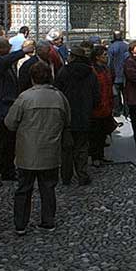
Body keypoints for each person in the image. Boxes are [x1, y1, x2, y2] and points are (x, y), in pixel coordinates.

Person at [5, 62, 70, 235]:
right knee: (48, 188)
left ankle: (21, 224)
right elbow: (67, 120)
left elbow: (10, 123)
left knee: (23, 188)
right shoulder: (59, 97)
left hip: (27, 151)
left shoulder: (24, 98)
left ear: (32, 77)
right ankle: (48, 221)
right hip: (50, 149)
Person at [0, 37, 35, 186]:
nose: (10, 49)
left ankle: (8, 170)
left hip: (8, 109)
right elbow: (3, 62)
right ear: (0, 49)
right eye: (7, 47)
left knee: (9, 144)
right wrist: (22, 52)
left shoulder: (4, 62)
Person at [55, 45, 99, 185]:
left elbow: (58, 91)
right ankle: (82, 174)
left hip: (68, 115)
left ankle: (66, 176)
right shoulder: (91, 73)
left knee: (67, 147)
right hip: (85, 114)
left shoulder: (64, 71)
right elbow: (96, 94)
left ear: (72, 57)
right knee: (82, 147)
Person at [89, 46, 115, 167]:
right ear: (97, 57)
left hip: (106, 105)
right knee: (96, 134)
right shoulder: (93, 70)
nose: (106, 57)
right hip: (97, 107)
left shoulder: (106, 69)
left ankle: (101, 155)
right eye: (104, 55)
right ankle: (95, 157)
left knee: (103, 133)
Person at [108, 30, 129, 118]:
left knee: (116, 94)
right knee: (126, 94)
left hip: (115, 74)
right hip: (125, 74)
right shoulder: (126, 46)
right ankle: (127, 110)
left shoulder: (112, 47)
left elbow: (109, 62)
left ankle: (117, 110)